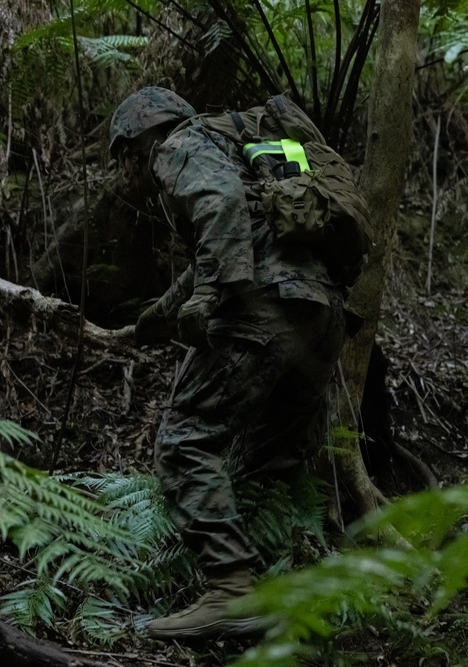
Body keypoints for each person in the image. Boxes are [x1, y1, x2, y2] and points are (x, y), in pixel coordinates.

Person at [109, 86, 348, 640]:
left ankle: (233, 591)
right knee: (268, 461)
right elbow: (232, 233)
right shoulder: (243, 152)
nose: (128, 174)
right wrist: (153, 319)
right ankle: (284, 601)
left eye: (123, 159)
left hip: (263, 311)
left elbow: (219, 206)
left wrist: (208, 297)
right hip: (320, 314)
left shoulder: (178, 146)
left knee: (186, 441)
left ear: (138, 142)